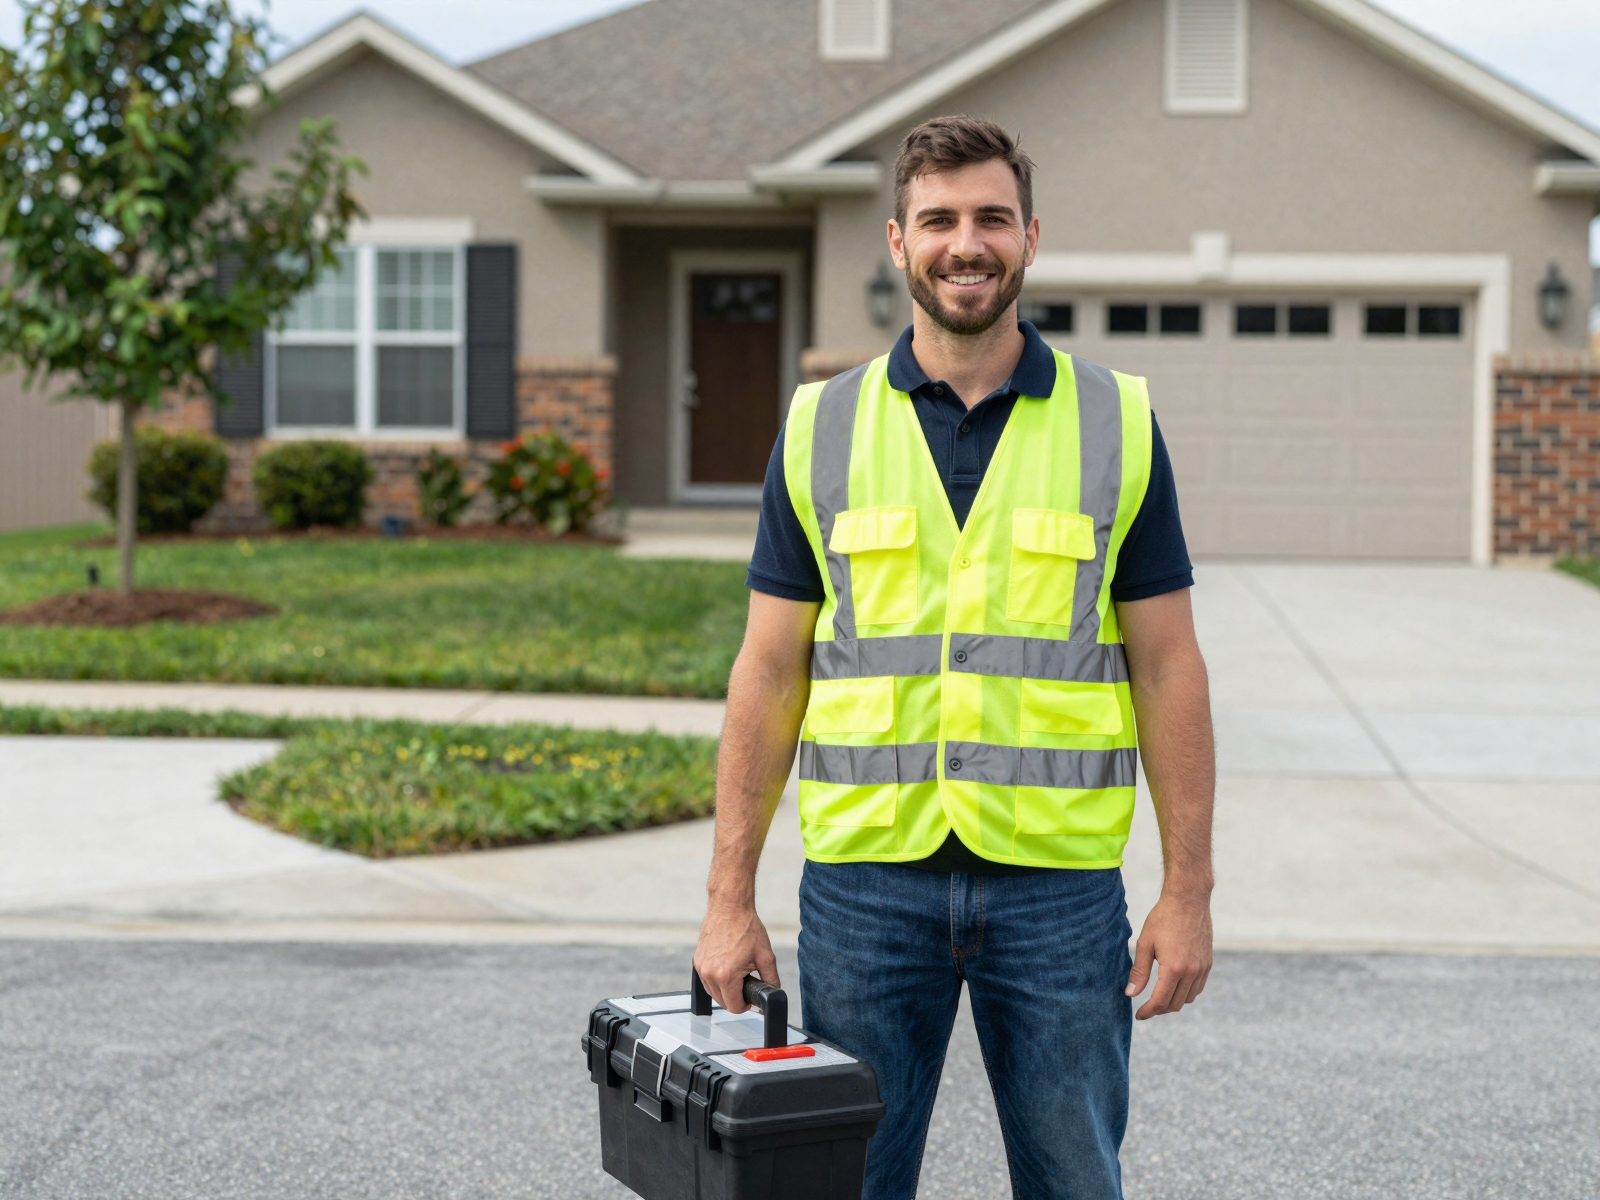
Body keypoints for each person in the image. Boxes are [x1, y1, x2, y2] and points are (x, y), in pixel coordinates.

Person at [693, 115, 1215, 1200]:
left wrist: (1189, 890)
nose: (962, 243)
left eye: (988, 218)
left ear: (1030, 236)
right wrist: (727, 897)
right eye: (937, 219)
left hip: (1059, 894)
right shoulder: (819, 428)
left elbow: (1167, 665)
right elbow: (768, 670)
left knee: (1076, 1182)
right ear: (896, 242)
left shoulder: (1115, 422)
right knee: (843, 1186)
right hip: (865, 888)